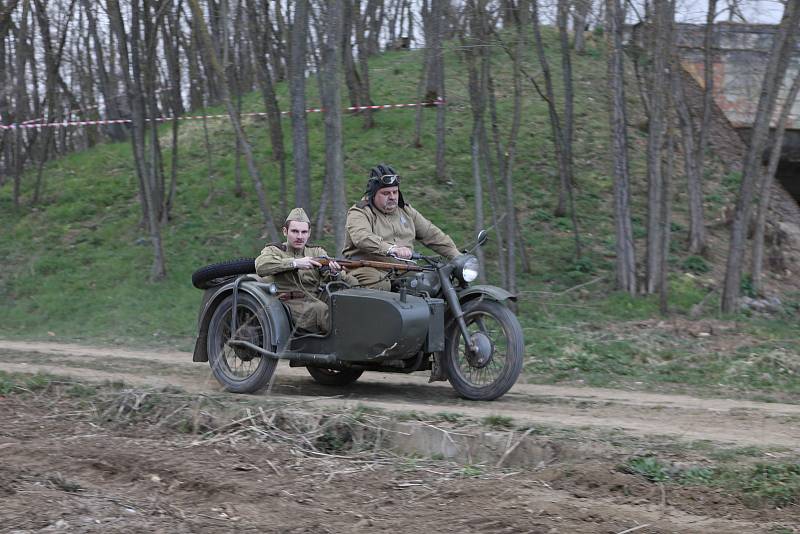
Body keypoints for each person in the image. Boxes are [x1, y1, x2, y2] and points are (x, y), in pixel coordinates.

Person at [342, 164, 460, 290]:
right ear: (373, 194)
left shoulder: (406, 211)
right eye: (386, 193)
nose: (392, 197)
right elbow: (362, 238)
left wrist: (457, 256)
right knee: (380, 284)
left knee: (434, 283)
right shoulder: (360, 212)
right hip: (367, 268)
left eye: (395, 191)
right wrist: (391, 249)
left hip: (403, 269)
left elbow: (432, 234)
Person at [255, 208, 357, 334]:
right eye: (295, 231)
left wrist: (334, 272)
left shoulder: (316, 252)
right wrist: (295, 263)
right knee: (321, 310)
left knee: (348, 303)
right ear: (285, 231)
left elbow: (328, 277)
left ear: (309, 233)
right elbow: (261, 266)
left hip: (316, 297)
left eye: (304, 232)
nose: (300, 236)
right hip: (288, 303)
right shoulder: (274, 250)